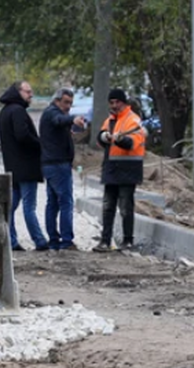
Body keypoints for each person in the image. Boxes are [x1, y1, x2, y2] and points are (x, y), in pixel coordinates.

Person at [93, 88, 146, 253]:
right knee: (108, 207)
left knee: (125, 208)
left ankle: (127, 241)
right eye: (112, 102)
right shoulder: (110, 120)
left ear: (124, 103)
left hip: (128, 170)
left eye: (118, 102)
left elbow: (132, 143)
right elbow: (100, 137)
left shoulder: (133, 120)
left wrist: (120, 139)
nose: (114, 105)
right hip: (111, 169)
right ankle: (105, 240)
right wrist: (106, 137)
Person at [0, 81, 47, 252]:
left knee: (11, 207)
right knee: (29, 206)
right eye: (28, 91)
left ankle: (11, 241)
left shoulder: (5, 111)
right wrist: (40, 144)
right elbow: (22, 135)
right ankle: (39, 240)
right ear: (18, 92)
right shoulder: (18, 111)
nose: (31, 95)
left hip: (13, 167)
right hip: (26, 166)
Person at [39, 88, 87, 250]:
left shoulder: (51, 113)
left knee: (52, 203)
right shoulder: (52, 112)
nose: (68, 106)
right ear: (57, 100)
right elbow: (59, 120)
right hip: (58, 165)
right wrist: (73, 119)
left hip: (51, 164)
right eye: (66, 102)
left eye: (70, 104)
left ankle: (54, 240)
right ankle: (66, 241)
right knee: (65, 202)